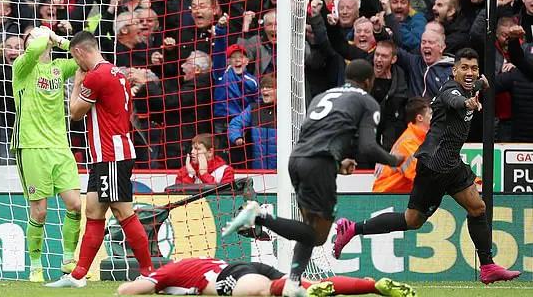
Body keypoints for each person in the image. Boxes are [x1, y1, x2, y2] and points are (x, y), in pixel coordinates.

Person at [333, 48, 522, 284]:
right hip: (434, 166)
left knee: (477, 207)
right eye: (464, 68)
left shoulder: (469, 86)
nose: (470, 72)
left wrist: (481, 84)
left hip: (451, 163)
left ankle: (487, 266)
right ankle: (351, 229)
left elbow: (473, 86)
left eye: (474, 68)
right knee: (413, 220)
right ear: (454, 71)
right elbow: (456, 100)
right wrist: (469, 103)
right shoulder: (450, 90)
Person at [221, 59, 405, 296]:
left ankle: (293, 283)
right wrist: (394, 160)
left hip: (297, 160)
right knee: (316, 236)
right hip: (318, 164)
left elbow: (315, 137)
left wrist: (337, 163)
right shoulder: (367, 101)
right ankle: (260, 216)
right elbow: (369, 147)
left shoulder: (322, 97)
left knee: (308, 229)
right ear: (369, 81)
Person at [45, 31, 153, 288]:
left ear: (80, 53)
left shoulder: (96, 76)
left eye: (74, 58)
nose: (76, 64)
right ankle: (78, 275)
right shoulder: (116, 73)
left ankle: (149, 272)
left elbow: (75, 113)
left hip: (111, 156)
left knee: (123, 212)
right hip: (106, 155)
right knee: (93, 212)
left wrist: (77, 83)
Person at [11, 26, 82, 282]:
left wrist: (60, 40)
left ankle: (67, 257)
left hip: (60, 147)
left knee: (75, 204)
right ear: (27, 43)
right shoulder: (22, 66)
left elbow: (85, 55)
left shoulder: (59, 68)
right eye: (32, 35)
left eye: (40, 35)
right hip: (30, 146)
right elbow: (36, 48)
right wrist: (44, 34)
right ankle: (35, 264)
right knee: (39, 212)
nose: (39, 37)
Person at [116, 258, 416, 297]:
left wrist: (123, 287)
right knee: (304, 283)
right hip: (244, 264)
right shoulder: (195, 260)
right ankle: (373, 285)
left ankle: (304, 294)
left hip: (229, 276)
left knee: (265, 291)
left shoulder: (168, 271)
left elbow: (131, 291)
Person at [372, 97, 432, 193]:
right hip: (386, 197)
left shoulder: (419, 139)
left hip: (398, 196)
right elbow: (420, 176)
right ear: (420, 118)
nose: (434, 117)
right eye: (431, 114)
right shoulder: (408, 143)